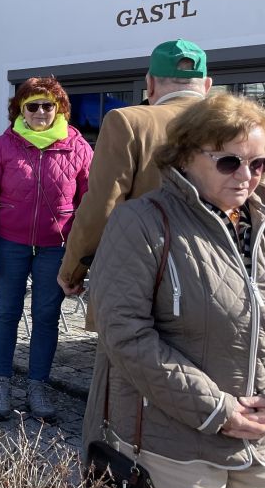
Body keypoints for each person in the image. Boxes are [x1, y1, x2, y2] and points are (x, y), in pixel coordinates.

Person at [83, 93, 265, 488]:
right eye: (229, 162)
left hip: (263, 442)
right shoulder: (142, 222)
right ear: (187, 156)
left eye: (260, 163)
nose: (247, 176)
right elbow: (124, 333)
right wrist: (216, 409)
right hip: (172, 443)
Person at [0, 77, 92, 421]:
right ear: (20, 110)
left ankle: (38, 386)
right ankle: (0, 382)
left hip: (56, 247)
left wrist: (81, 252)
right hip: (10, 244)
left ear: (59, 109)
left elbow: (90, 202)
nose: (41, 112)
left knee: (46, 317)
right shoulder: (2, 146)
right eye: (33, 106)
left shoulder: (78, 147)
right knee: (6, 314)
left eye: (47, 106)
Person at [59, 39, 211, 306]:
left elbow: (102, 206)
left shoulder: (128, 121)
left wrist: (72, 270)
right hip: (217, 273)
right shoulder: (239, 125)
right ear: (207, 85)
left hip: (143, 273)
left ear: (149, 84)